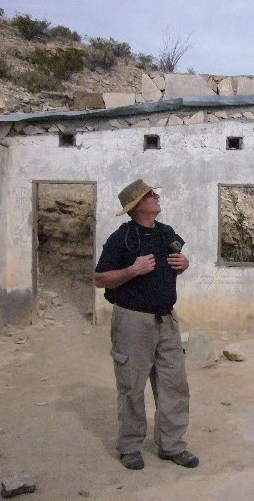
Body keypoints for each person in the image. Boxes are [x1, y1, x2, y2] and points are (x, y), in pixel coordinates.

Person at [94, 179, 198, 471]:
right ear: (139, 206)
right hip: (132, 322)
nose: (156, 196)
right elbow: (100, 278)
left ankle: (171, 445)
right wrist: (131, 270)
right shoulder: (121, 238)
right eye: (151, 195)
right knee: (131, 386)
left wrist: (185, 262)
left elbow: (181, 258)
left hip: (166, 320)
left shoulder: (166, 233)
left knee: (174, 384)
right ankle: (129, 447)